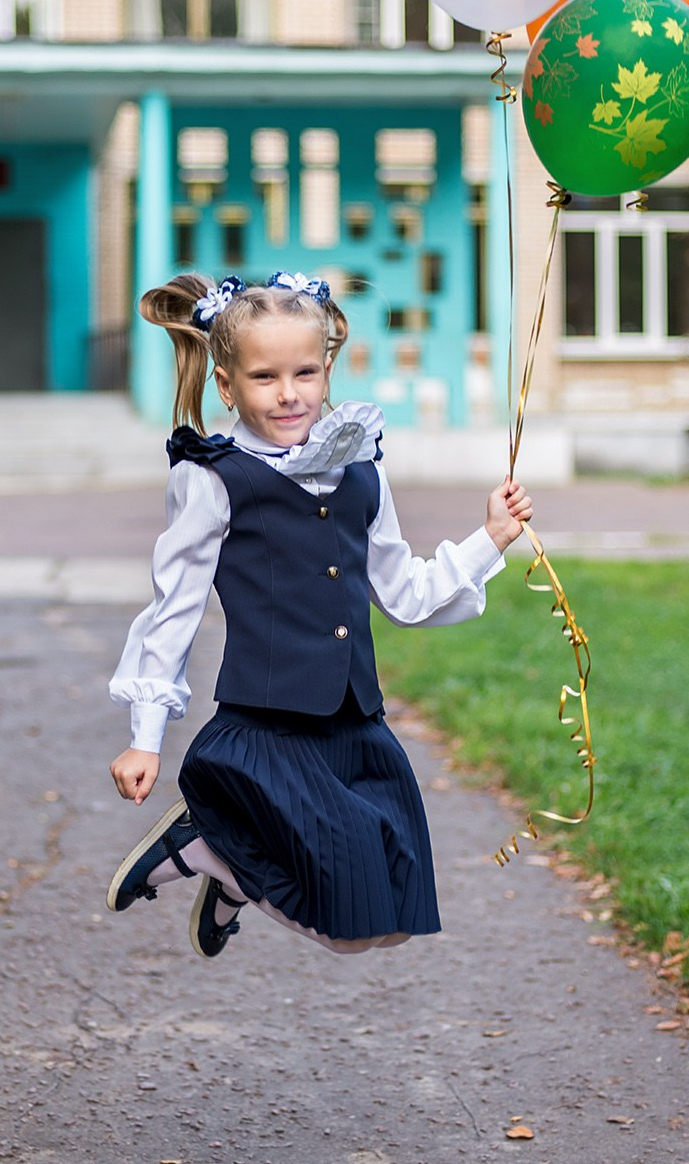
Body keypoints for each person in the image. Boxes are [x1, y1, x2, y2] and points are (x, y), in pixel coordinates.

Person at [106, 270, 532, 959]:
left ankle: (229, 870)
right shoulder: (213, 476)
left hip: (355, 729)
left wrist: (492, 538)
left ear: (327, 367)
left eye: (305, 371)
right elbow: (172, 610)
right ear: (226, 384)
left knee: (389, 923)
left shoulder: (361, 464)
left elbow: (404, 592)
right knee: (346, 934)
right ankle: (207, 854)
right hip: (269, 730)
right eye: (265, 377)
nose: (289, 393)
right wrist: (146, 734)